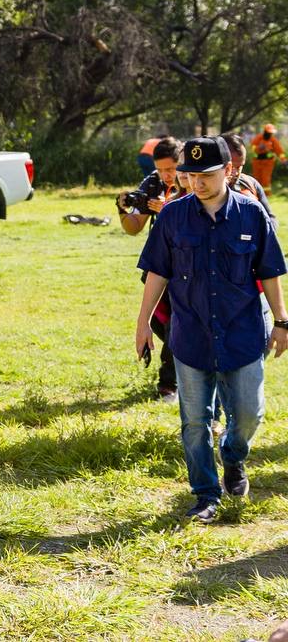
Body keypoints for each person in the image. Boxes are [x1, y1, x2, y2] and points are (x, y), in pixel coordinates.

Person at [136, 136, 288, 523]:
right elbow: (157, 272)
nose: (197, 182)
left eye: (206, 174)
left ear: (228, 170)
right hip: (191, 336)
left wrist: (283, 322)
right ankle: (205, 494)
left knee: (249, 414)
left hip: (243, 334)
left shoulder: (252, 214)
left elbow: (270, 273)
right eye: (190, 175)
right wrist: (142, 324)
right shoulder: (172, 216)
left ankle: (233, 456)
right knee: (193, 421)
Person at [117, 136, 182, 401]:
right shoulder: (153, 182)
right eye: (161, 169)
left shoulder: (193, 181)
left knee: (176, 325)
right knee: (159, 321)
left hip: (187, 265)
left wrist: (169, 208)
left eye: (171, 169)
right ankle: (183, 368)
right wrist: (122, 209)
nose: (166, 175)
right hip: (159, 262)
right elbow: (134, 227)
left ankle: (169, 384)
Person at [223, 132, 277, 232]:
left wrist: (263, 238)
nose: (234, 172)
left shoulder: (251, 184)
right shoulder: (200, 189)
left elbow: (270, 218)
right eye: (229, 167)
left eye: (239, 166)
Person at [251, 123, 286, 190]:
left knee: (266, 179)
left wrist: (283, 159)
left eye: (271, 133)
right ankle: (256, 194)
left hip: (268, 163)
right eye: (268, 132)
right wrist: (258, 148)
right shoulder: (258, 138)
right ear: (265, 132)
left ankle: (266, 196)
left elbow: (279, 151)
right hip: (257, 162)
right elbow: (252, 147)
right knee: (256, 178)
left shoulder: (273, 140)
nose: (269, 134)